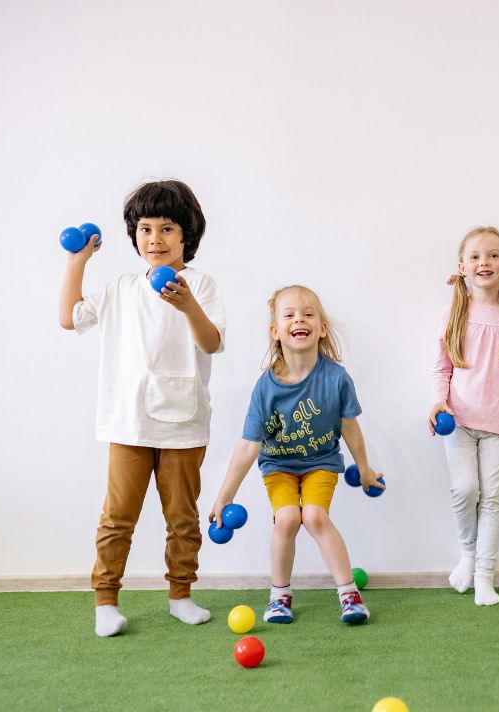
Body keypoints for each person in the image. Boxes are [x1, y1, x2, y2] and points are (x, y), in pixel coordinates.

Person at [58, 180, 226, 637]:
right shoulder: (120, 288)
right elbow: (69, 317)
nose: (155, 238)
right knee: (117, 517)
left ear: (187, 235)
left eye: (167, 228)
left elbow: (212, 342)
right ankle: (106, 602)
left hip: (184, 423)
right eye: (146, 229)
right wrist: (78, 261)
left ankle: (181, 596)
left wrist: (187, 305)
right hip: (128, 423)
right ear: (134, 235)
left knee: (183, 518)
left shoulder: (200, 285)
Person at [211, 285, 380, 624]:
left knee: (314, 516)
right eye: (289, 315)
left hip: (321, 462)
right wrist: (224, 496)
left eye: (308, 314)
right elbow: (248, 446)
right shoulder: (266, 387)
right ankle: (279, 598)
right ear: (276, 331)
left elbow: (350, 428)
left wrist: (365, 470)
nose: (299, 319)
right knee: (287, 518)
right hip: (279, 465)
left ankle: (350, 596)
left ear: (322, 328)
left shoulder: (336, 378)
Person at [429, 227, 499, 606]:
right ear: (461, 267)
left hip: (498, 424)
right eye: (475, 256)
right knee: (465, 490)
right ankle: (468, 555)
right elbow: (441, 369)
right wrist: (437, 403)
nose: (484, 262)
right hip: (457, 421)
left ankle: (484, 576)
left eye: (493, 255)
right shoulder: (454, 313)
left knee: (492, 497)